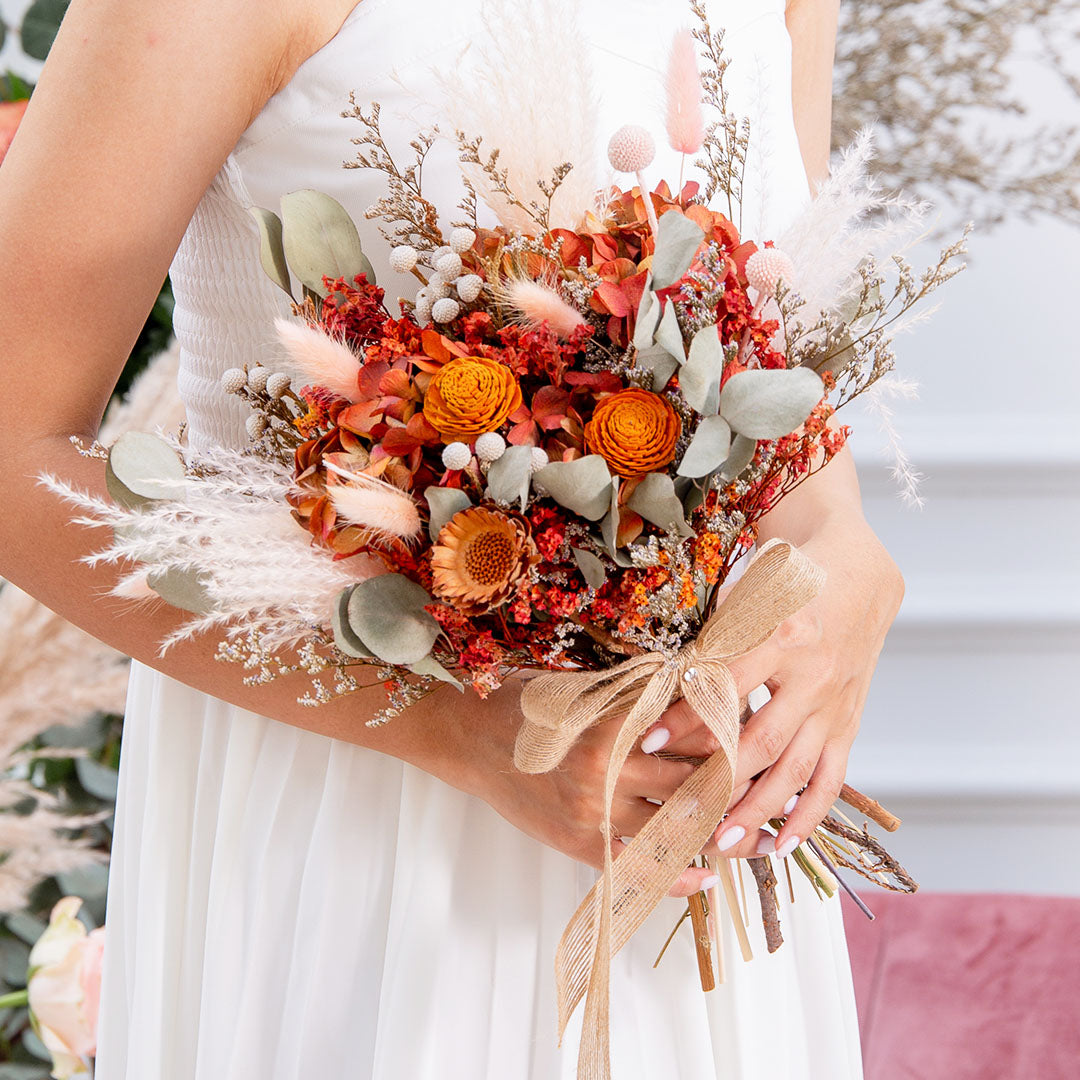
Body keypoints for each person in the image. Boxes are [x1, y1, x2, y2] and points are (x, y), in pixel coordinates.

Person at [0, 0, 903, 1076]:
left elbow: (776, 358)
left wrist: (850, 562)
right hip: (357, 795)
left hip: (683, 809)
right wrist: (447, 730)